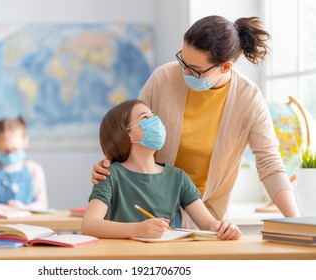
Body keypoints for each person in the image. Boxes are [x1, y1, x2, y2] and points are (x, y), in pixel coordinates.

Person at [91, 15, 300, 229]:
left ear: (226, 67)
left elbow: (270, 165)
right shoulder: (163, 79)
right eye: (183, 61)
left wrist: (297, 224)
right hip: (151, 208)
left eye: (195, 69)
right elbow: (130, 128)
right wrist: (109, 162)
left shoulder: (249, 99)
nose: (185, 72)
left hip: (208, 215)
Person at [82, 99, 241, 240]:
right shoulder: (110, 175)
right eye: (145, 118)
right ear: (128, 135)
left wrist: (225, 228)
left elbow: (208, 223)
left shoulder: (178, 177)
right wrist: (138, 229)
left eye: (153, 115)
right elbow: (89, 225)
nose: (156, 121)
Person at [0, 116, 49, 210]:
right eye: (5, 151)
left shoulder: (34, 169)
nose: (10, 154)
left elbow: (42, 204)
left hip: (29, 222)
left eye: (14, 149)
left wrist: (25, 208)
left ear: (25, 141)